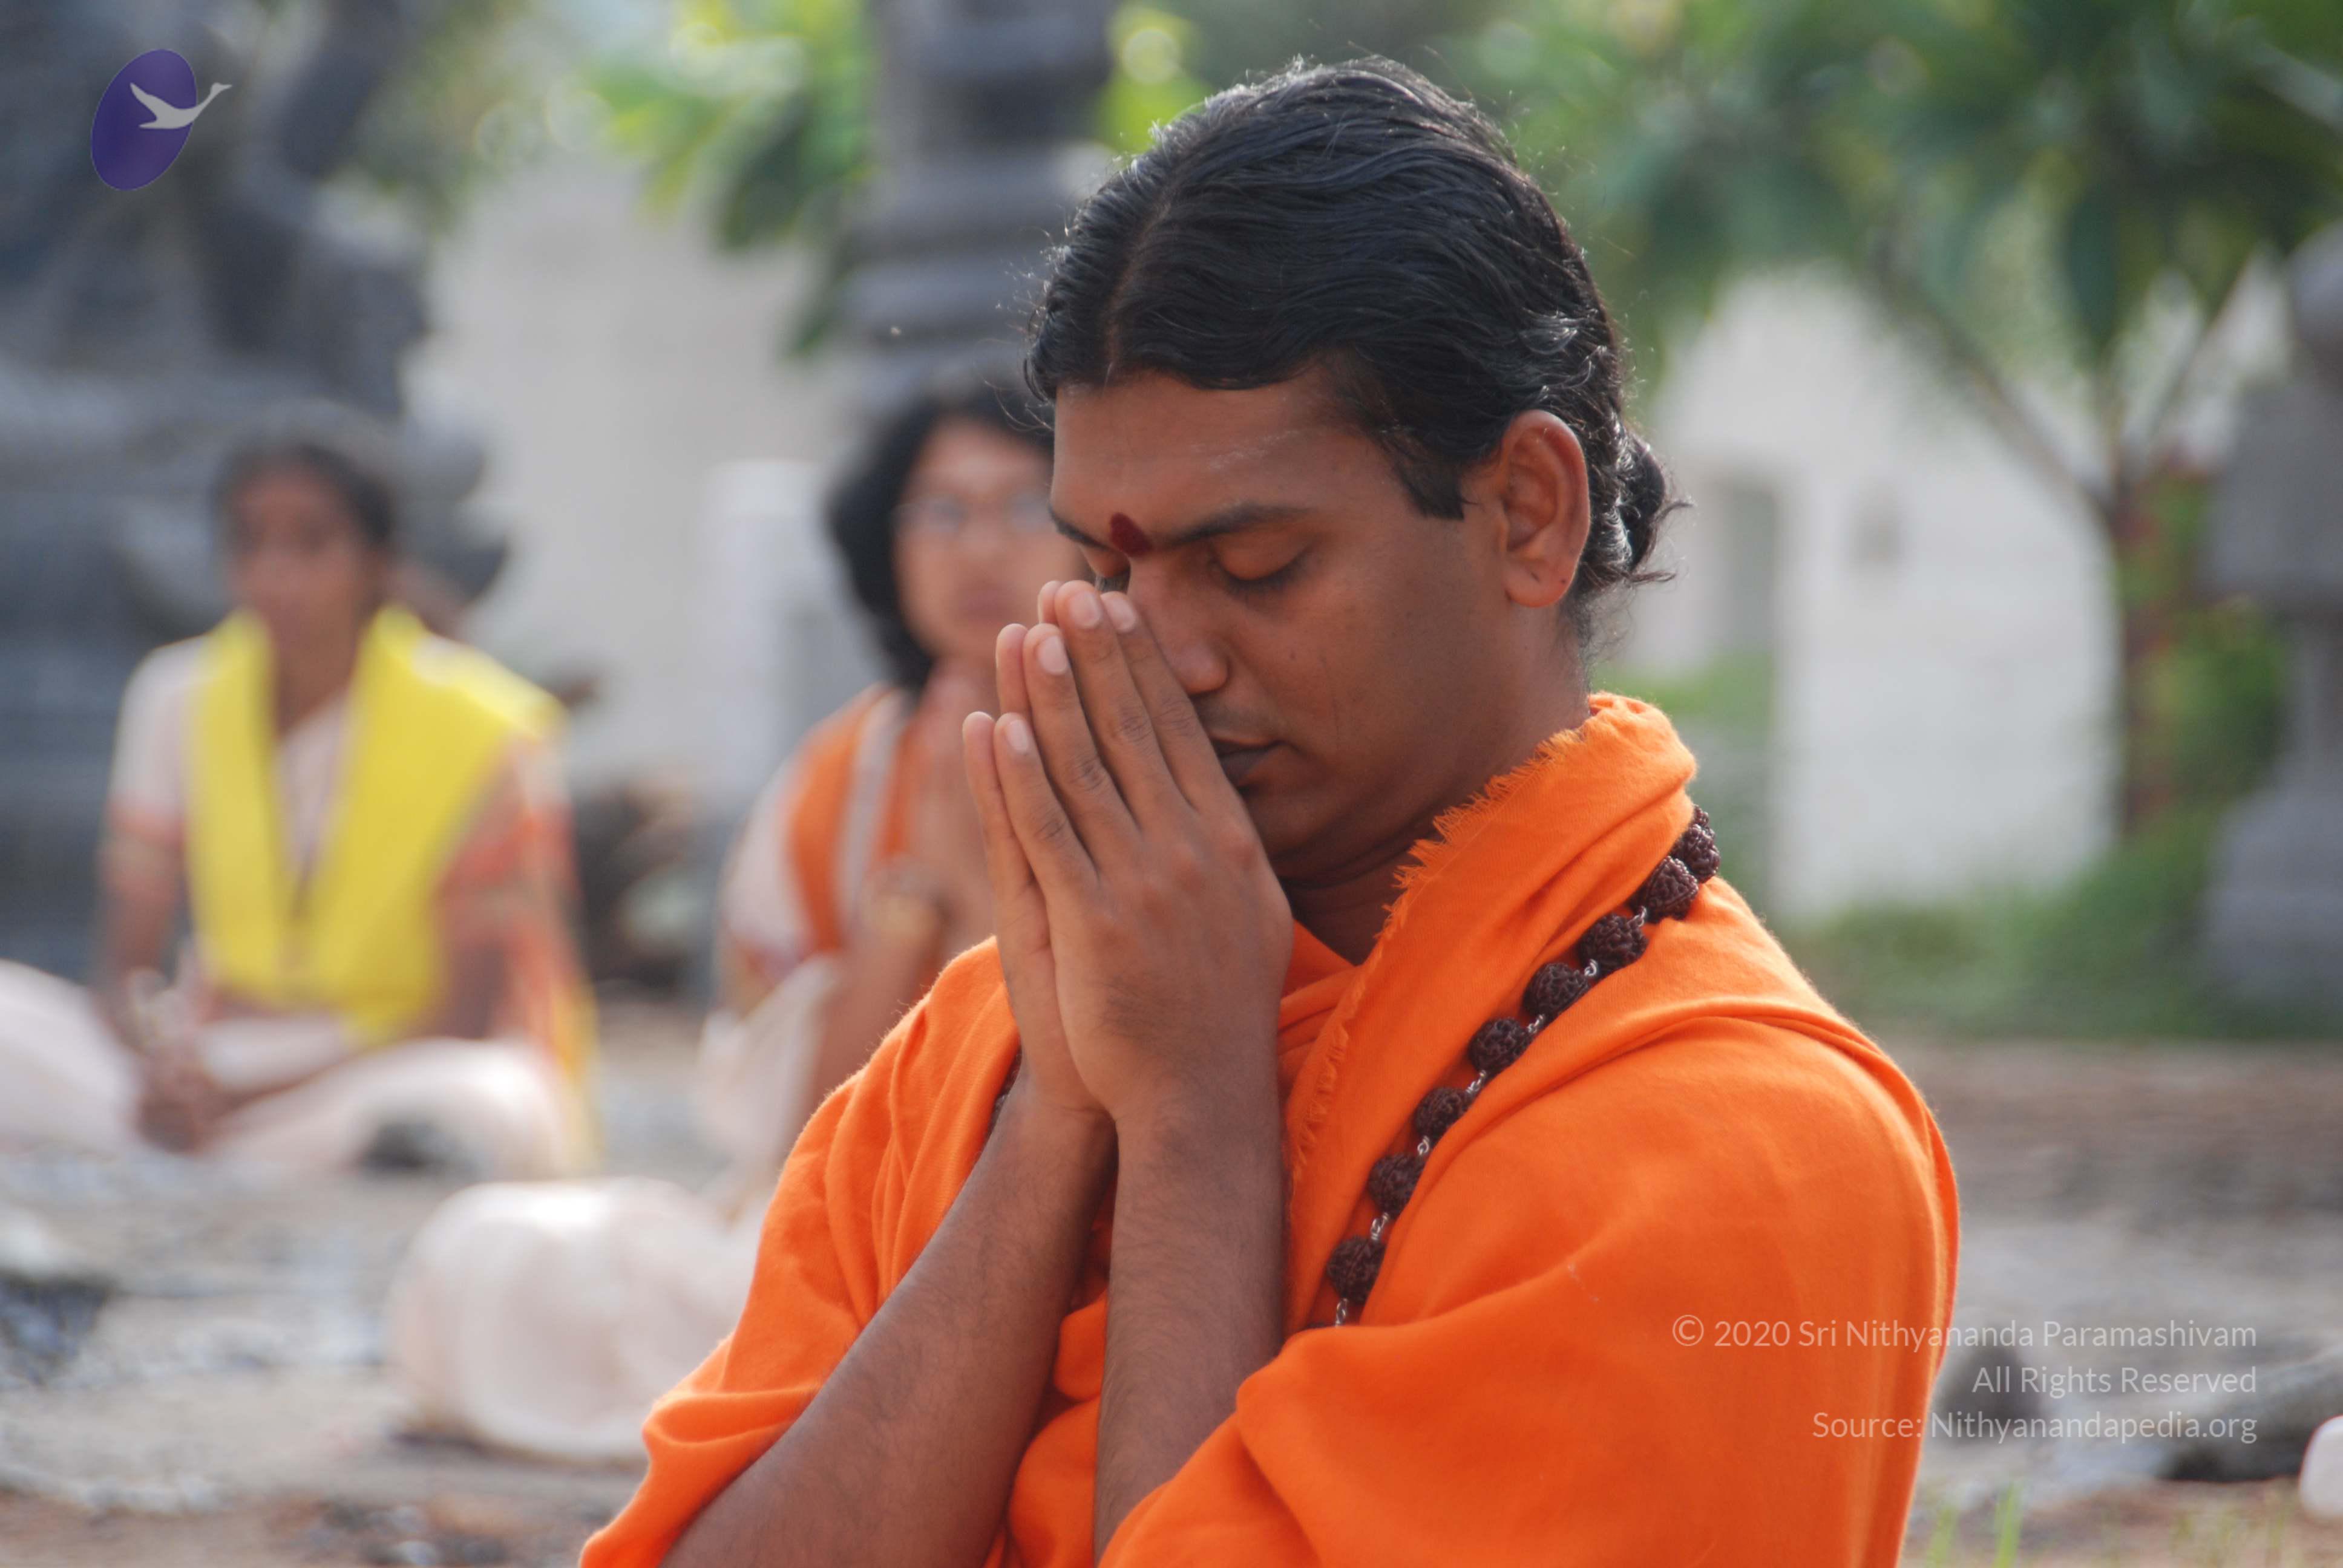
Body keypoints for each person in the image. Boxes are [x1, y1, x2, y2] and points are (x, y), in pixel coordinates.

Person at [586, 61, 1960, 1568]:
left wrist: (1194, 1121)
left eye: (1255, 570)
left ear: (1527, 512)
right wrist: (1057, 1126)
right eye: (1108, 576)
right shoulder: (982, 1049)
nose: (1163, 654)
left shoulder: (1738, 1158)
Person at [385, 378, 1081, 1460]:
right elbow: (808, 1132)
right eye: (940, 511)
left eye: (1022, 505)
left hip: (1058, 1232)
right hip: (839, 1221)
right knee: (483, 1254)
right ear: (888, 544)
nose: (979, 547)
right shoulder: (844, 776)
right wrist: (916, 896)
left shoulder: (1140, 745)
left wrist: (981, 890)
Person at [0, 419, 592, 1178]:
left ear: (377, 563)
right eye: (250, 544)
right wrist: (163, 1065)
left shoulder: (484, 731)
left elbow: (463, 1020)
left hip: (374, 1064)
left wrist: (244, 1097)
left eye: (310, 545)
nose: (275, 575)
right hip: (212, 1054)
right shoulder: (177, 694)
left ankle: (236, 1152)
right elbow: (127, 966)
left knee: (492, 1099)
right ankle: (210, 1148)